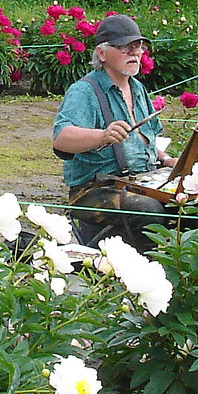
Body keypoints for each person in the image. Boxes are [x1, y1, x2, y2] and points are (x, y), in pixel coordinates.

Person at [52, 14, 176, 251]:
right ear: (101, 53)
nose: (135, 52)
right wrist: (103, 135)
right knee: (147, 209)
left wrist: (167, 160)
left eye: (138, 45)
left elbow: (146, 141)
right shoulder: (84, 91)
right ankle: (143, 271)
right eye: (124, 46)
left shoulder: (137, 88)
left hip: (143, 179)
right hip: (94, 190)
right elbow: (61, 139)